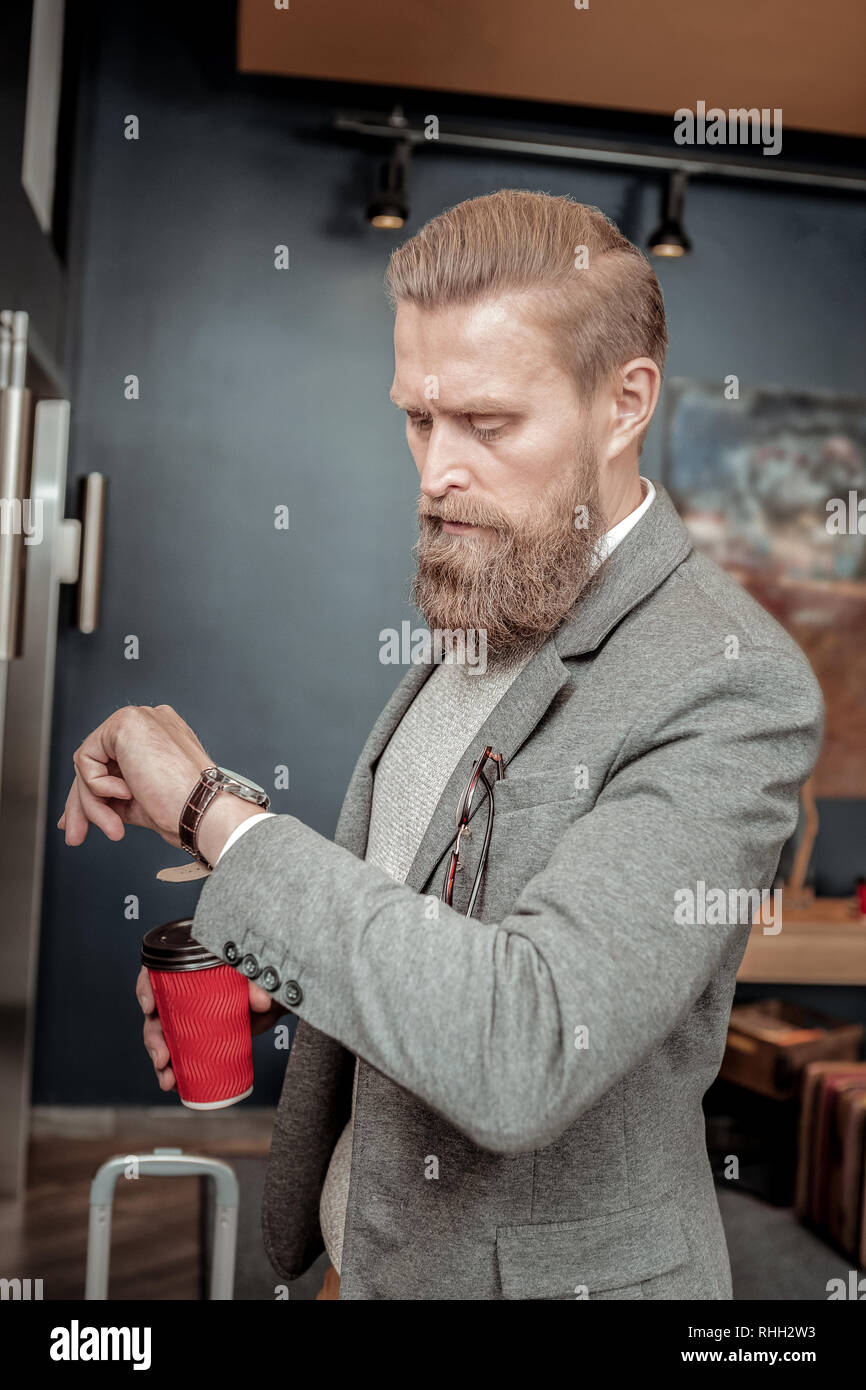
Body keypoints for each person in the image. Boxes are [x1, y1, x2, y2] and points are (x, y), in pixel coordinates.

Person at [60, 191, 824, 1300]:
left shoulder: (732, 682)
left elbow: (528, 1041)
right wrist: (284, 961)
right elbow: (420, 917)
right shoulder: (500, 598)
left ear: (624, 403)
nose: (433, 472)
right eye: (417, 418)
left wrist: (209, 816)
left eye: (486, 422)